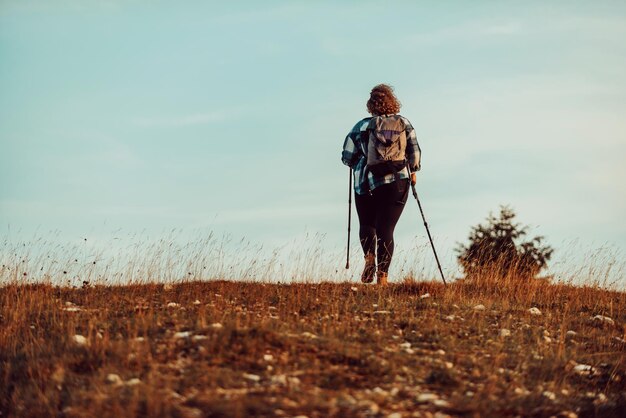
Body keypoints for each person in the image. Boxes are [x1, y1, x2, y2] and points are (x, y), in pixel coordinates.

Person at [341, 84, 421, 285]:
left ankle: (370, 258)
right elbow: (414, 152)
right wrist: (414, 171)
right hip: (396, 182)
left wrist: (358, 159)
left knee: (367, 224)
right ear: (392, 101)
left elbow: (347, 157)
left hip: (364, 183)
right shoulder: (403, 123)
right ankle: (382, 277)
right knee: (387, 229)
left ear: (370, 105)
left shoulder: (360, 126)